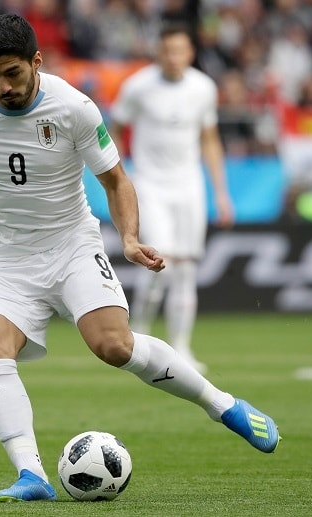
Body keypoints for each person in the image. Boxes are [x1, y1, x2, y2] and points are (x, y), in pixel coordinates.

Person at [0, 14, 279, 503]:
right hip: (6, 258)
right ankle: (32, 475)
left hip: (72, 245)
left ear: (36, 62)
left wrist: (129, 238)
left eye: (12, 73)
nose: (2, 87)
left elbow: (115, 179)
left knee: (113, 345)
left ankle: (223, 406)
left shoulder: (75, 107)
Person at [110, 23, 234, 374]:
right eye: (167, 51)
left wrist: (221, 193)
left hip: (189, 186)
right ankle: (139, 337)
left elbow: (209, 139)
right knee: (158, 260)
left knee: (186, 270)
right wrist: (118, 177)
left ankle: (181, 348)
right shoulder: (138, 86)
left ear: (190, 53)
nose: (173, 57)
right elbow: (115, 128)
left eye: (179, 50)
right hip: (150, 184)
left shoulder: (203, 88)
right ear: (158, 52)